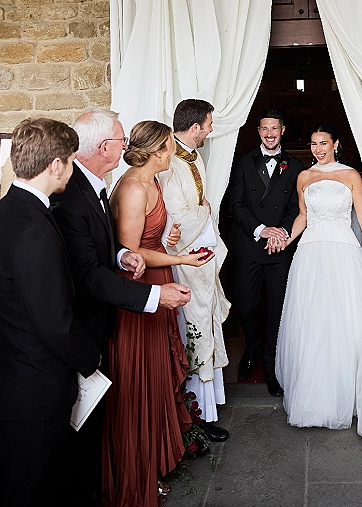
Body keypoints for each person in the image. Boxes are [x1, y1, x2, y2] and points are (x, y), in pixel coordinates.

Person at [52, 107, 190, 504]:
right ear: (104, 146)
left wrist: (128, 254)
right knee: (132, 390)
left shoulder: (97, 184)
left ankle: (141, 467)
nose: (125, 144)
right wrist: (170, 263)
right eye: (120, 138)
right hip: (120, 303)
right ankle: (127, 479)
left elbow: (111, 248)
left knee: (145, 383)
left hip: (133, 287)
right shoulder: (91, 191)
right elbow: (88, 269)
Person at [103, 120, 212, 507]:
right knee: (139, 382)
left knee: (156, 375)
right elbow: (130, 251)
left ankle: (153, 462)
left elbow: (150, 237)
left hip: (158, 277)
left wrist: (169, 239)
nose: (173, 154)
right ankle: (136, 475)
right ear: (157, 151)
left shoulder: (153, 182)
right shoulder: (133, 188)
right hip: (141, 289)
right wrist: (182, 257)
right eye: (169, 147)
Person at [0, 118, 100, 507]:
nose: (72, 168)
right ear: (56, 164)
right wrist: (92, 358)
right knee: (36, 489)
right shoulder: (35, 228)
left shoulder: (6, 211)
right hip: (35, 390)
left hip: (11, 379)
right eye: (71, 160)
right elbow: (54, 324)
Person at [275, 122, 362, 428]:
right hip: (310, 252)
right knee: (312, 321)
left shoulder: (351, 175)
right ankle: (312, 397)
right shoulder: (304, 177)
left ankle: (349, 394)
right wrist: (288, 238)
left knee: (344, 319)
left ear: (336, 144)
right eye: (313, 144)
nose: (318, 149)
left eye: (323, 143)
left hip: (342, 251)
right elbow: (303, 215)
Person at [159, 99, 230, 442]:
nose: (212, 130)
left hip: (202, 253)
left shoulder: (193, 155)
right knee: (193, 327)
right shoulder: (168, 161)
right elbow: (178, 218)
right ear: (195, 127)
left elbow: (199, 203)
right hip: (184, 257)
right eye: (209, 124)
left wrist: (204, 209)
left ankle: (207, 409)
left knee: (207, 320)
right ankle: (193, 417)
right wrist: (204, 211)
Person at [227, 109, 304, 396]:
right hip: (249, 245)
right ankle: (253, 347)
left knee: (276, 309)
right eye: (264, 129)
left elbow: (297, 208)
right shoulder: (243, 162)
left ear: (282, 130)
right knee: (246, 306)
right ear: (258, 131)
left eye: (275, 128)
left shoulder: (295, 166)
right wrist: (261, 229)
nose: (270, 134)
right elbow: (235, 205)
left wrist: (281, 232)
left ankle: (272, 367)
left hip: (280, 249)